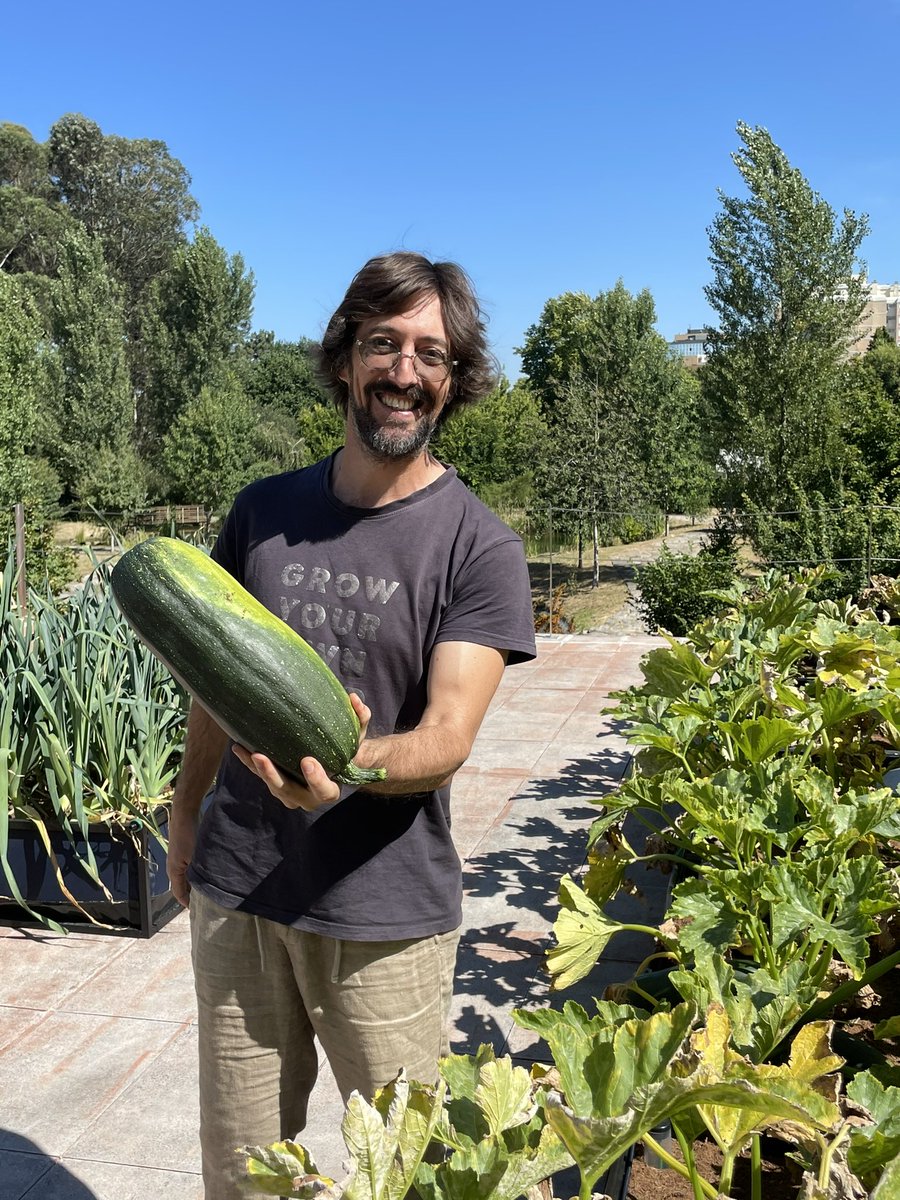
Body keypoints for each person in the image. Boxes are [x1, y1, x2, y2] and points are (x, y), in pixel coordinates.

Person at [166, 251, 537, 1198]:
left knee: (409, 1176)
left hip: (386, 915)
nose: (406, 372)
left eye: (432, 354)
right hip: (241, 890)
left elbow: (448, 734)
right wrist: (186, 807)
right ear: (345, 358)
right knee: (247, 1174)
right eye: (385, 344)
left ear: (453, 383)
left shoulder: (478, 545)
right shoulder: (263, 512)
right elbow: (216, 677)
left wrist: (350, 761)